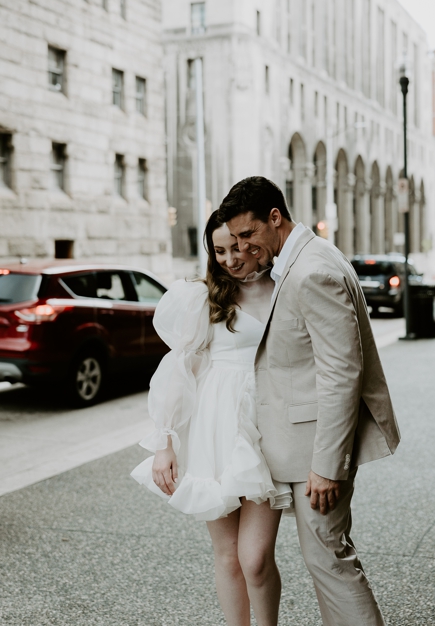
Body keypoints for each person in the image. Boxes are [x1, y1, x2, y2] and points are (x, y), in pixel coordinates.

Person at [217, 176, 400, 626]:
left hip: (315, 452)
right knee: (328, 562)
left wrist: (327, 464)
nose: (241, 248)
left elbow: (342, 372)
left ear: (275, 218)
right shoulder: (306, 257)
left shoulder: (311, 269)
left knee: (331, 562)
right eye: (234, 239)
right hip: (303, 447)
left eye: (247, 234)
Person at [131, 216, 290, 626]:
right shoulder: (201, 298)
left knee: (254, 559)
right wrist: (165, 442)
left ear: (250, 241)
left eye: (236, 247)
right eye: (219, 251)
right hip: (211, 429)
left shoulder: (284, 287)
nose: (229, 259)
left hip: (264, 426)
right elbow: (178, 371)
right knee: (228, 556)